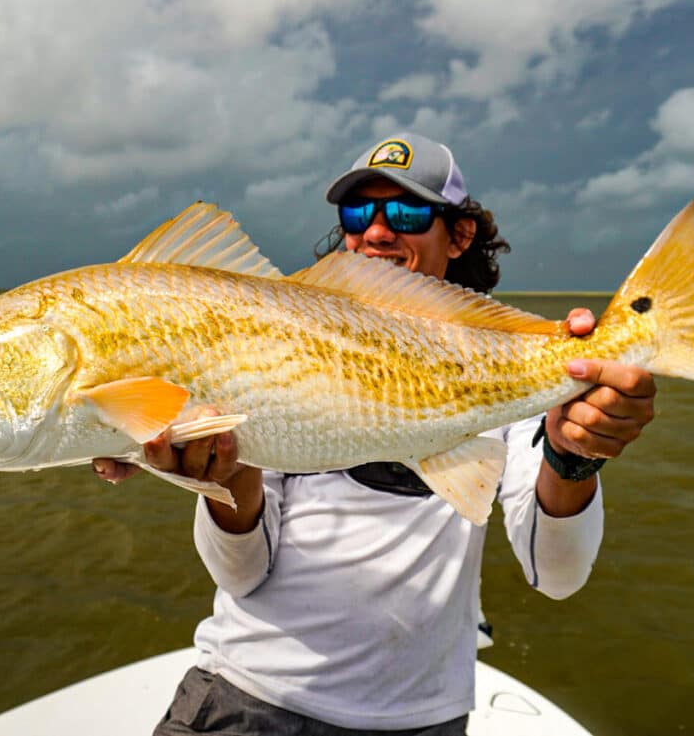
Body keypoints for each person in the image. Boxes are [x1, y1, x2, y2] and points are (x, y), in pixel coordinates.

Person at [93, 132, 656, 734]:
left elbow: (558, 576)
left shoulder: (510, 369)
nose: (378, 232)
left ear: (459, 234)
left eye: (408, 212)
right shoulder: (274, 338)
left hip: (418, 718)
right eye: (359, 213)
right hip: (247, 694)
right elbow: (240, 576)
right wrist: (230, 475)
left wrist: (573, 456)